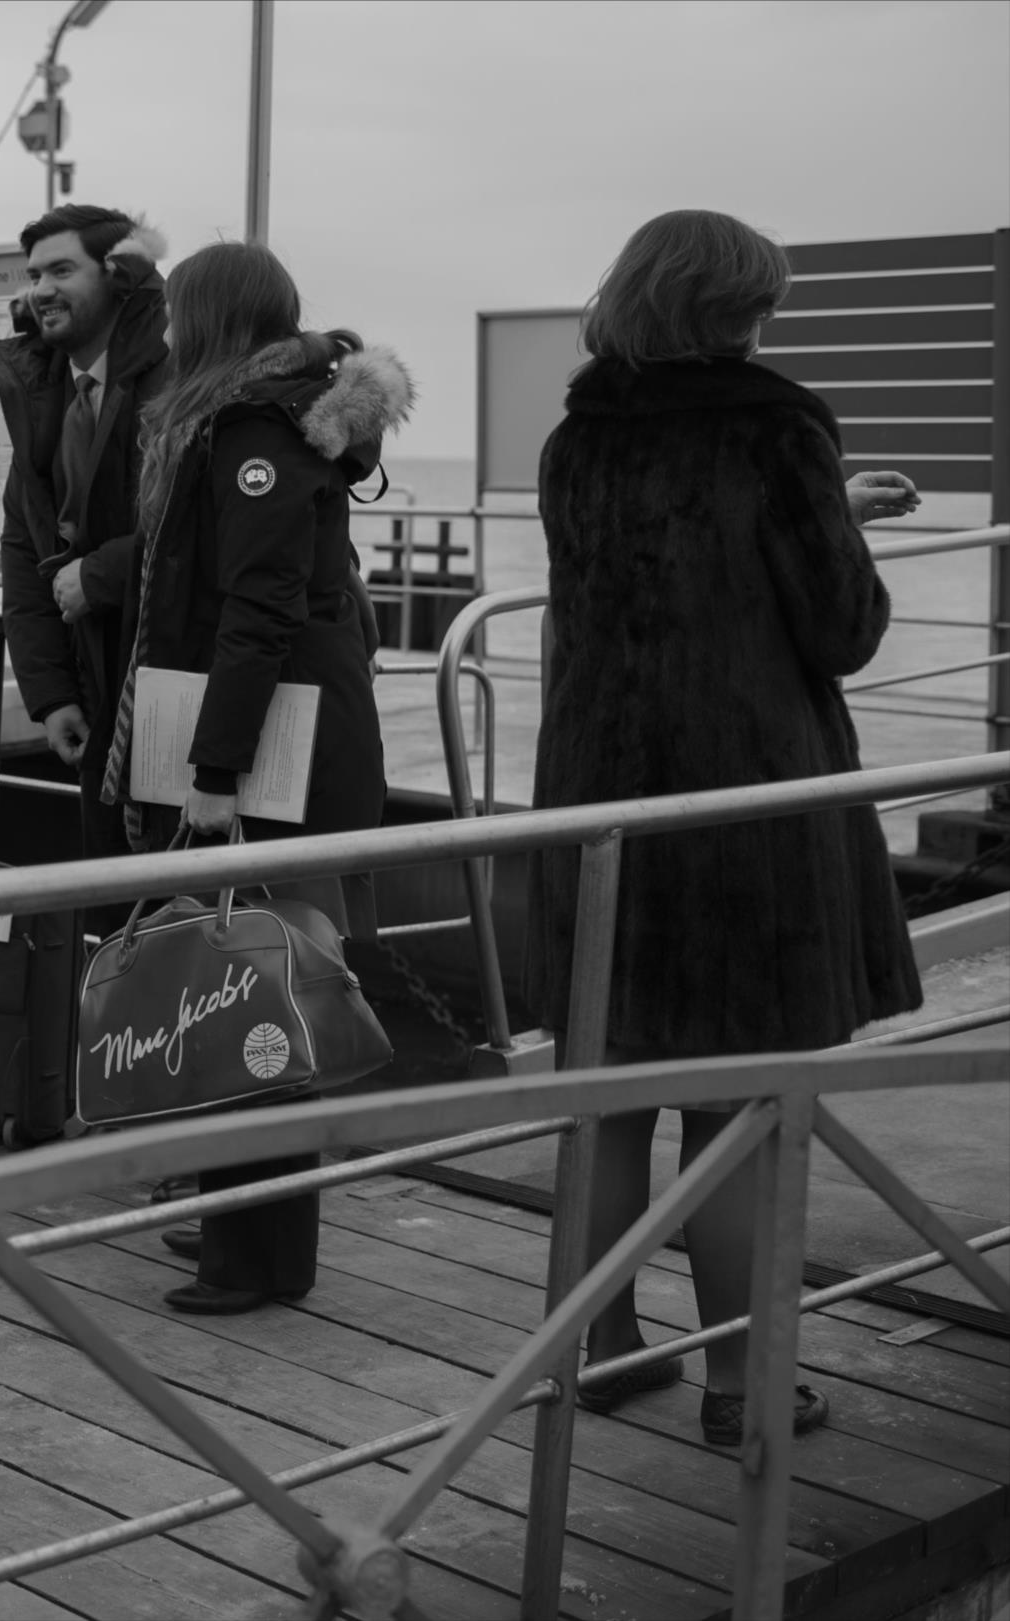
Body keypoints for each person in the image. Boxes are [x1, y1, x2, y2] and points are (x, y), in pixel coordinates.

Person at [531, 209, 924, 1446]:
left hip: (600, 793)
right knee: (734, 1102)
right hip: (740, 800)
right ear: (736, 307)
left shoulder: (576, 434)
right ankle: (743, 1387)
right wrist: (840, 521)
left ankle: (605, 1350)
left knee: (611, 1089)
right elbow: (839, 627)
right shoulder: (775, 423)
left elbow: (653, 572)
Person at [99, 240, 406, 1316]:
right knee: (258, 982)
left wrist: (214, 768)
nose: (169, 334)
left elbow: (258, 606)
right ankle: (245, 1217)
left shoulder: (255, 431)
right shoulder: (274, 416)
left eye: (181, 315)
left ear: (213, 320)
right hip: (304, 737)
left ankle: (257, 1255)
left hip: (279, 755)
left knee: (258, 989)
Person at [0, 205, 169, 866]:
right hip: (93, 693)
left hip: (171, 686)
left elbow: (205, 528)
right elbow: (23, 551)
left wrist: (100, 575)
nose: (41, 290)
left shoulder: (175, 384)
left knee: (184, 904)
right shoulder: (43, 395)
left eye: (61, 270)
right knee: (111, 900)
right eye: (34, 275)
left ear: (119, 275)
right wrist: (51, 694)